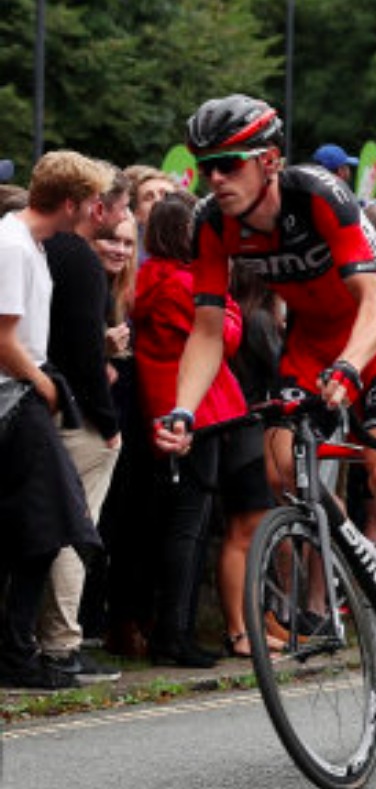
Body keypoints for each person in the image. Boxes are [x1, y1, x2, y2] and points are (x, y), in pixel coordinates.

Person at [153, 95, 376, 697]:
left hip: (375, 332)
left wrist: (351, 368)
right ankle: (365, 570)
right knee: (283, 473)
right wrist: (182, 409)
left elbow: (373, 304)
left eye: (230, 164)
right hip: (308, 341)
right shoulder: (211, 223)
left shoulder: (319, 194)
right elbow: (204, 328)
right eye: (206, 167)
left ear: (270, 160)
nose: (215, 179)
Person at [134, 193, 273, 665]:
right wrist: (227, 301)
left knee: (184, 526)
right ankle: (173, 635)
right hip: (194, 411)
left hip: (180, 407)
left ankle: (174, 630)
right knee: (187, 529)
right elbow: (226, 335)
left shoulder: (154, 277)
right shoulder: (181, 285)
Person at [0, 150, 108, 689]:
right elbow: (3, 339)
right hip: (16, 396)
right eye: (92, 201)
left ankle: (17, 648)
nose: (98, 210)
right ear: (70, 203)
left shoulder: (32, 245)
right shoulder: (14, 246)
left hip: (26, 393)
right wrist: (43, 385)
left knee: (43, 528)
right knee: (52, 522)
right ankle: (17, 652)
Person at [40, 161, 132, 684]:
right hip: (76, 416)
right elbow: (77, 352)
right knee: (75, 530)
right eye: (118, 210)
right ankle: (62, 643)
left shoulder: (45, 249)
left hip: (50, 404)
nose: (118, 224)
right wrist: (107, 421)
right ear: (96, 206)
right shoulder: (77, 259)